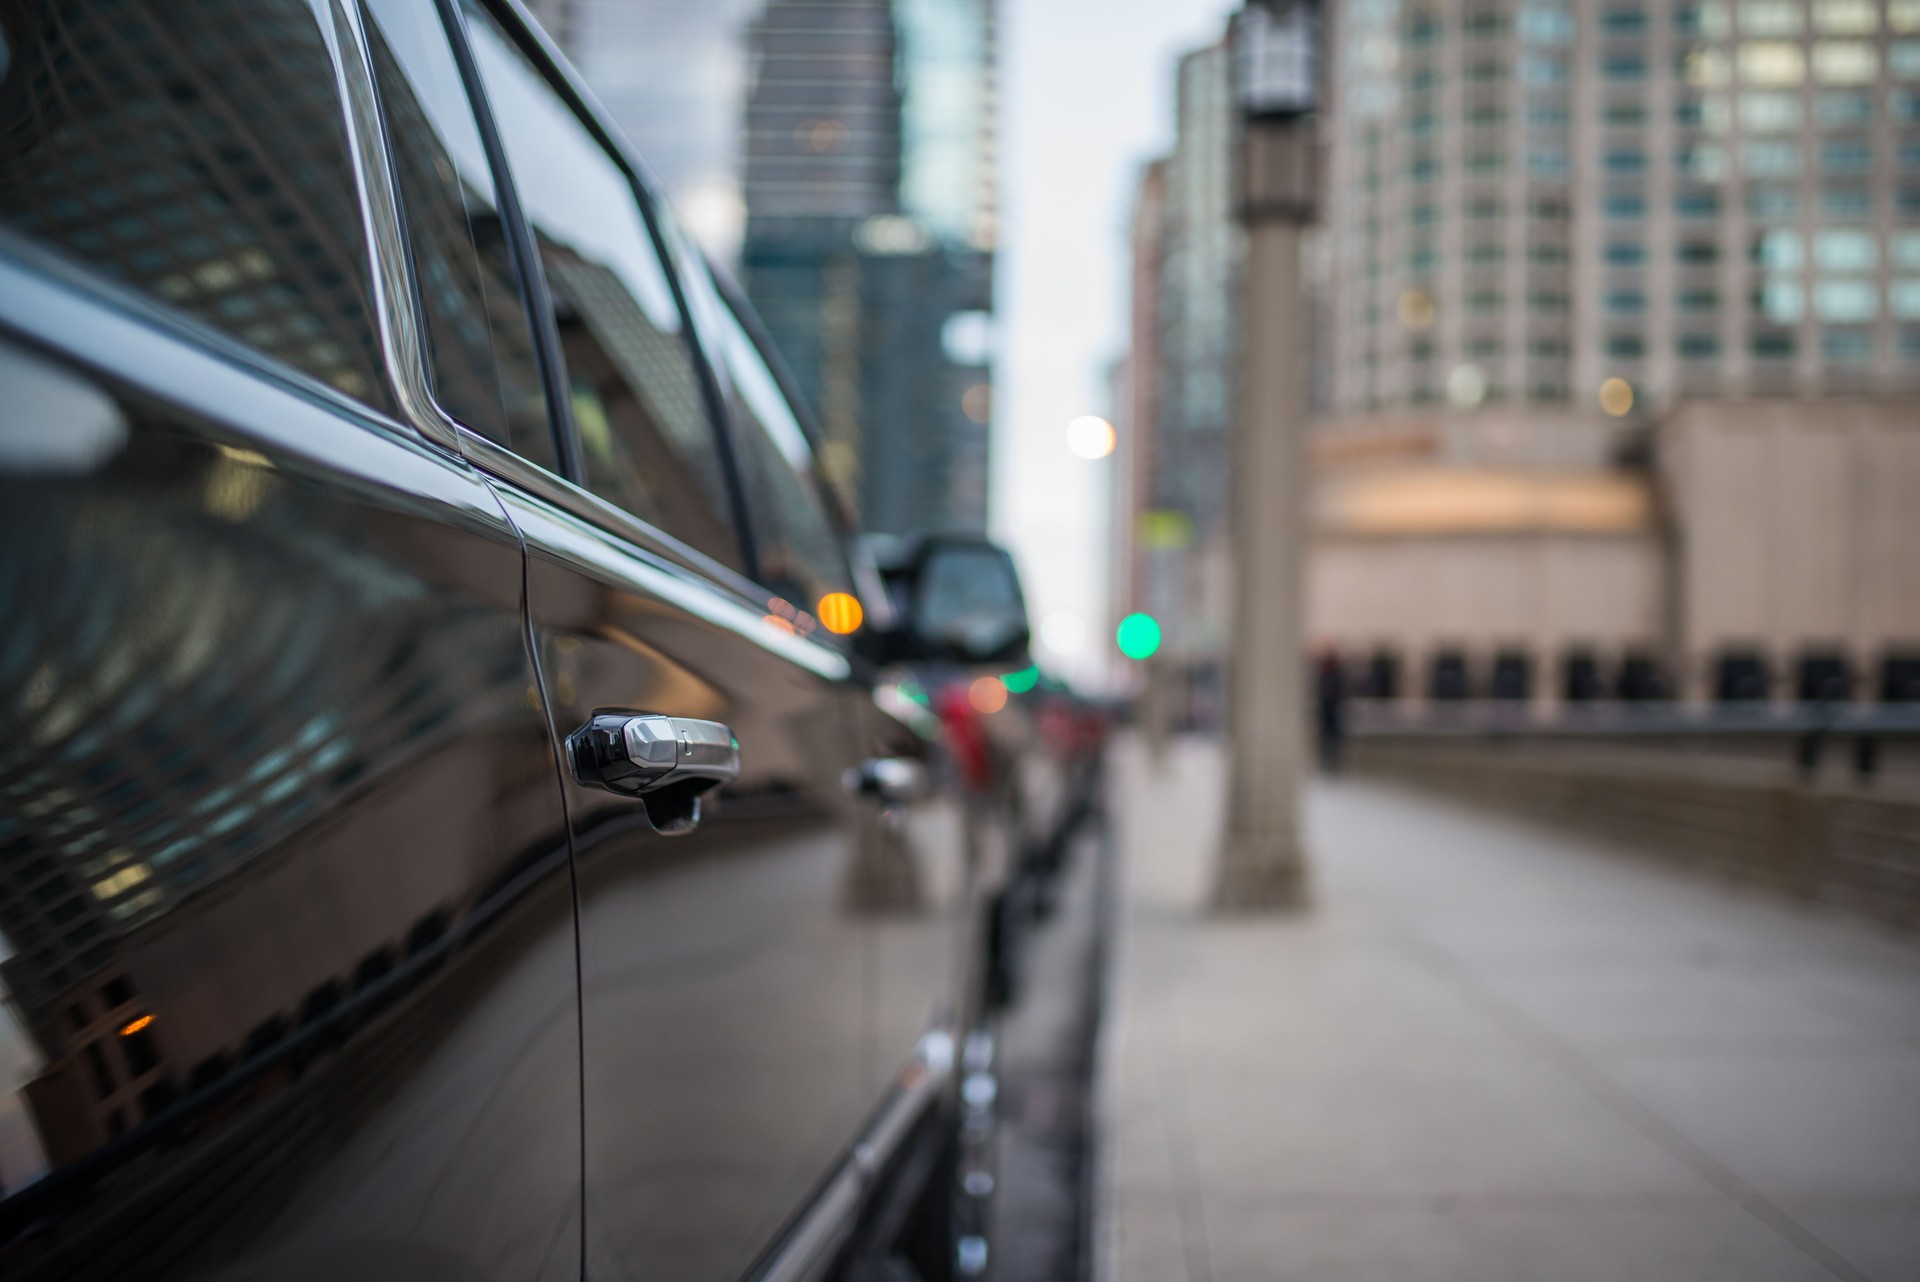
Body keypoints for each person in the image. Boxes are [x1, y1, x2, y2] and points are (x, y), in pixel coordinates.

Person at [1315, 647, 1347, 774]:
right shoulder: (1326, 673)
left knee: (1332, 738)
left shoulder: (1335, 674)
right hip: (1327, 712)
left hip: (1332, 711)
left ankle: (1332, 761)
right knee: (1328, 737)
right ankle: (1328, 760)